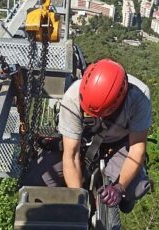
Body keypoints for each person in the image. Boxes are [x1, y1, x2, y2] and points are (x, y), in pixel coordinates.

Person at [58, 58, 152, 228]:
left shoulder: (139, 97)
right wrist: (79, 202)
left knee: (136, 188)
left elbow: (137, 149)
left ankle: (126, 200)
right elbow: (71, 155)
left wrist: (119, 188)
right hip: (84, 139)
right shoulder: (72, 97)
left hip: (120, 142)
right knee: (42, 180)